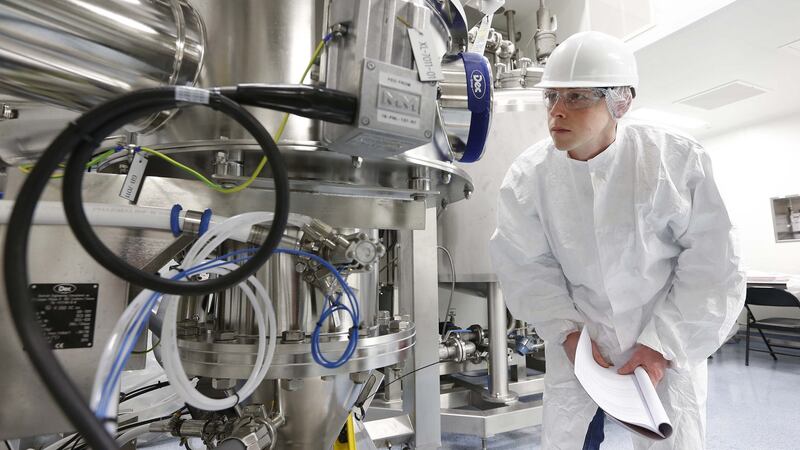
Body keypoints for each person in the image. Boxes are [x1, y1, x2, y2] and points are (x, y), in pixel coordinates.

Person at [488, 31, 745, 450]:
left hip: (664, 338)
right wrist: (569, 336)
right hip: (581, 343)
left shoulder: (674, 161)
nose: (556, 112)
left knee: (671, 439)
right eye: (551, 97)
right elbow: (526, 266)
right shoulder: (528, 176)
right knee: (571, 440)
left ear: (620, 102)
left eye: (576, 98)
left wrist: (661, 347)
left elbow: (714, 267)